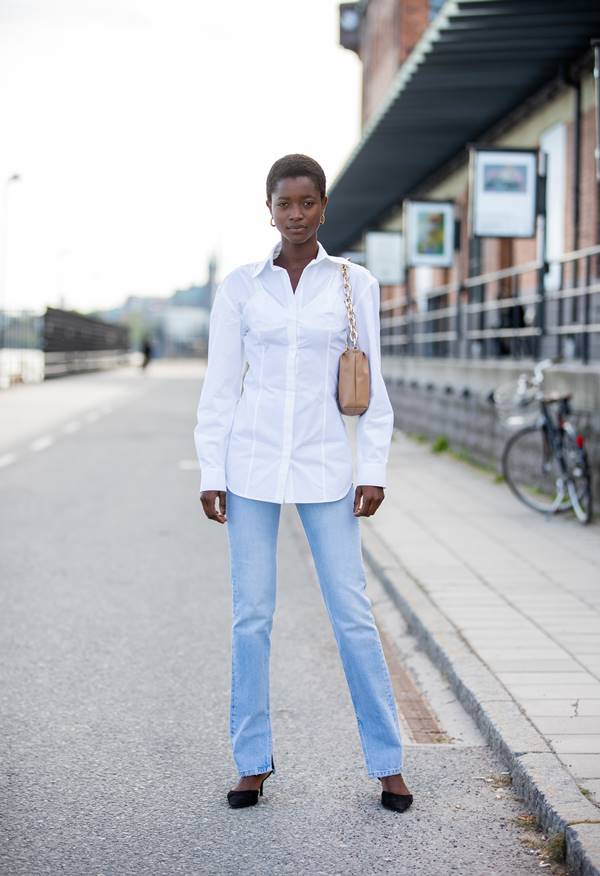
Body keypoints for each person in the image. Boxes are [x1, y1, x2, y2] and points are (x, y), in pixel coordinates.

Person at [193, 154, 412, 813]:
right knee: (251, 616)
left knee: (352, 613)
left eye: (307, 202)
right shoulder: (238, 288)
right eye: (284, 204)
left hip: (324, 468)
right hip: (251, 466)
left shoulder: (353, 283)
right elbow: (220, 387)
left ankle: (389, 764)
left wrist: (372, 466)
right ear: (269, 209)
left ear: (323, 208)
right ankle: (250, 763)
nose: (295, 214)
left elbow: (372, 382)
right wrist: (211, 470)